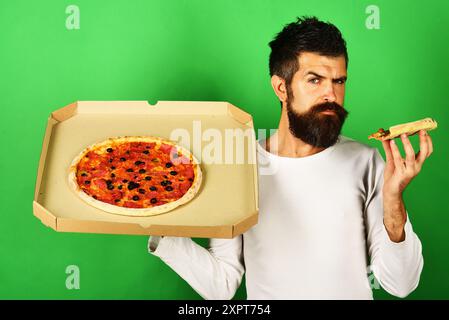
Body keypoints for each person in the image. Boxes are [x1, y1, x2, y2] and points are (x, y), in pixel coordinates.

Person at [147, 16, 432, 299]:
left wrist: (394, 201)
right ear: (281, 88)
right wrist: (156, 221)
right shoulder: (239, 167)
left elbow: (401, 284)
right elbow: (221, 284)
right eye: (315, 80)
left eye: (339, 81)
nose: (331, 94)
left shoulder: (367, 163)